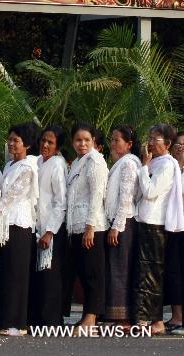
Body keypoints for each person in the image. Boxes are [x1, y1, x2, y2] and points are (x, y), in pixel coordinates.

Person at [133, 124, 184, 334]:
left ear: (168, 144)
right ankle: (151, 319)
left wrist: (144, 167)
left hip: (155, 225)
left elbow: (150, 192)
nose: (151, 142)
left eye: (156, 139)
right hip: (144, 222)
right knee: (145, 272)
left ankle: (151, 320)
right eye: (150, 137)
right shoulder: (155, 162)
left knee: (150, 273)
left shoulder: (167, 165)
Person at [0, 122, 39, 336]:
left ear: (27, 144)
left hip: (19, 223)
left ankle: (17, 323)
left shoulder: (28, 168)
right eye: (10, 139)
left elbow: (12, 195)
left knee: (16, 273)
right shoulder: (9, 165)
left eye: (16, 141)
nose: (11, 144)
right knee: (5, 272)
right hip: (5, 224)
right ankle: (5, 320)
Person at [66, 122, 108, 335]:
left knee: (93, 273)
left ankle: (91, 318)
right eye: (78, 140)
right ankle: (86, 316)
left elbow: (97, 195)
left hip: (92, 226)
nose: (82, 144)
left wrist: (90, 227)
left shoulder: (95, 161)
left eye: (86, 140)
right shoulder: (76, 163)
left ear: (93, 142)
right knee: (82, 273)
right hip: (75, 225)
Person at [104, 125, 140, 327]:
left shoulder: (129, 163)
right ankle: (114, 315)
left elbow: (126, 197)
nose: (113, 143)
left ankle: (123, 317)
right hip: (116, 221)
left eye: (117, 140)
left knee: (120, 268)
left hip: (124, 221)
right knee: (115, 267)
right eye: (112, 139)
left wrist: (117, 226)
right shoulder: (119, 163)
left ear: (129, 144)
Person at [32, 124, 67, 329]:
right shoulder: (36, 161)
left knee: (51, 277)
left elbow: (60, 202)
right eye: (43, 140)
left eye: (50, 142)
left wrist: (50, 231)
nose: (45, 144)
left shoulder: (57, 164)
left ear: (58, 146)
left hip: (50, 228)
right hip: (36, 226)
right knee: (38, 276)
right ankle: (37, 319)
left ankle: (52, 321)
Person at [166, 130, 184, 335]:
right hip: (171, 228)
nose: (180, 147)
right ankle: (176, 315)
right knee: (173, 272)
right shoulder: (169, 168)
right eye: (178, 144)